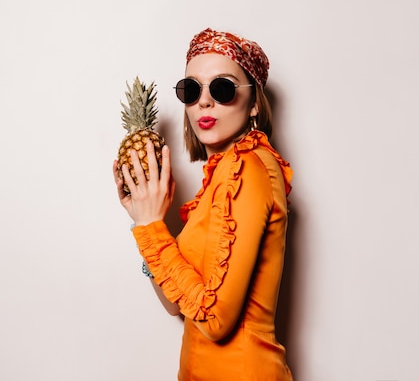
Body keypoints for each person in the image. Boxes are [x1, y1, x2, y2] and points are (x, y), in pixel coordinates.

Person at [113, 27, 294, 380]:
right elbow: (175, 304)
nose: (204, 103)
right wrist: (145, 222)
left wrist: (152, 229)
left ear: (254, 101)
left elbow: (215, 320)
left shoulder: (248, 167)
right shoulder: (219, 180)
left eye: (223, 88)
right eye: (191, 90)